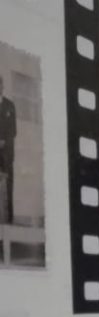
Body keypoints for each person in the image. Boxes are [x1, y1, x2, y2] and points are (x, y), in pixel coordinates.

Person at [0, 75, 17, 224]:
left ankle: (9, 220)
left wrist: (3, 141)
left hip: (7, 154)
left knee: (8, 184)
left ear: (2, 87)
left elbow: (13, 130)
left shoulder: (10, 105)